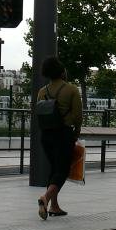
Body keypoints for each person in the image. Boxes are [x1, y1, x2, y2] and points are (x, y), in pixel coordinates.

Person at [36, 56, 82, 220]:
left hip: (46, 135)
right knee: (62, 171)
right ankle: (46, 198)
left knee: (54, 169)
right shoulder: (71, 89)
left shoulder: (42, 91)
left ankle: (54, 207)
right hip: (63, 134)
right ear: (62, 71)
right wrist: (75, 134)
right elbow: (77, 116)